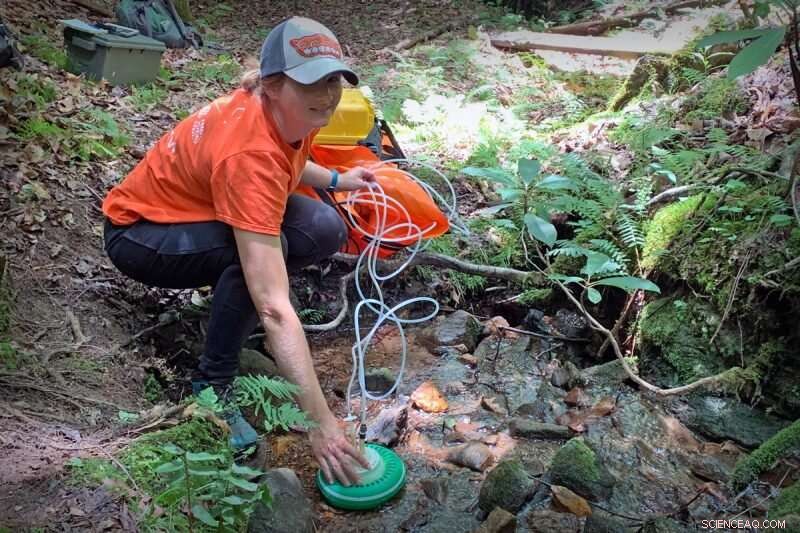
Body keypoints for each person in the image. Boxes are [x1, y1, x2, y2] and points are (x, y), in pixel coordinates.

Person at [102, 16, 372, 487]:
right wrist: (320, 423)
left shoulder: (293, 113)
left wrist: (336, 179)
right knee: (259, 266)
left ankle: (235, 309)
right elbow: (274, 307)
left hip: (199, 209)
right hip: (141, 233)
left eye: (333, 80)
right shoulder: (249, 154)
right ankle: (213, 386)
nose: (328, 95)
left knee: (324, 227)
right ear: (273, 84)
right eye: (312, 82)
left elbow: (290, 158)